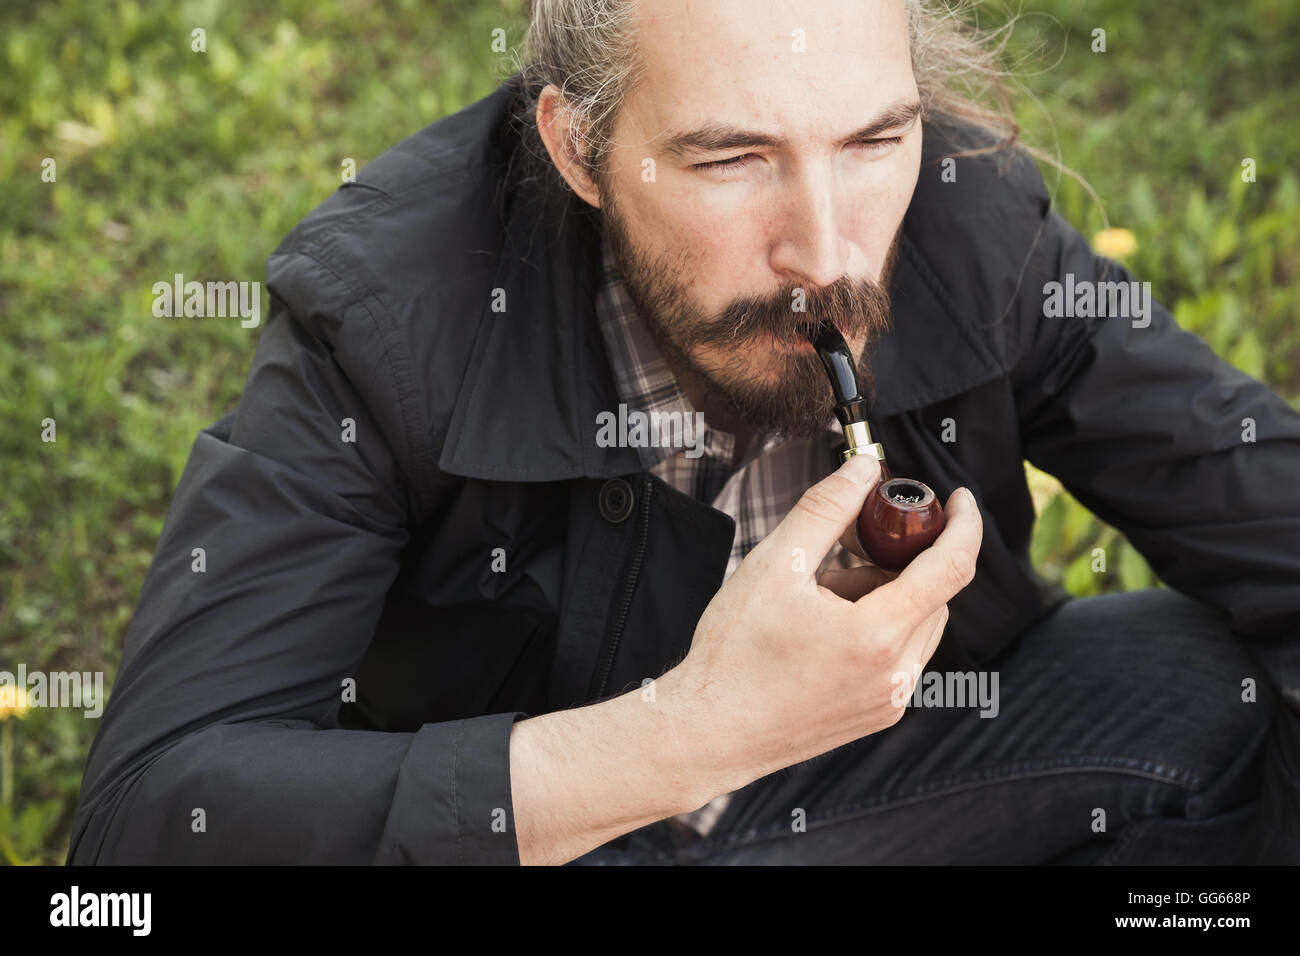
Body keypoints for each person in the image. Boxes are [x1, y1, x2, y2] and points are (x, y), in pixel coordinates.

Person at [68, 0, 1300, 865]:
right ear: (579, 146)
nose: (826, 251)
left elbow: (1263, 504)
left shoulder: (970, 224)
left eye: (874, 139)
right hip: (547, 846)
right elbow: (149, 819)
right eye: (729, 159)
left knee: (1206, 680)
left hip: (881, 792)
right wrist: (689, 733)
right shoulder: (386, 317)